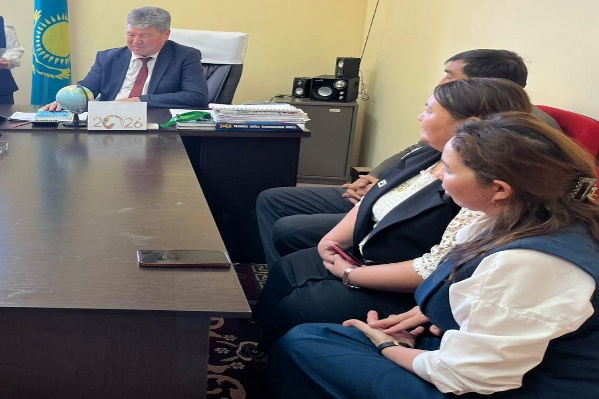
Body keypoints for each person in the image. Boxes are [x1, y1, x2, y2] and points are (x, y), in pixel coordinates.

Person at [268, 112, 599, 398]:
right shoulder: (516, 219)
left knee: (302, 344)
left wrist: (388, 347)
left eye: (449, 170)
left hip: (506, 387)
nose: (439, 176)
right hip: (482, 363)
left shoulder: (531, 262)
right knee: (321, 337)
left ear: (499, 189)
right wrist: (433, 315)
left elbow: (466, 376)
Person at [256, 78, 534, 346]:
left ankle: (276, 351)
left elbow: (436, 270)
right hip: (371, 254)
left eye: (429, 111)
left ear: (467, 126)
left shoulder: (478, 189)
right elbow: (374, 197)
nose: (420, 117)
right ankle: (259, 340)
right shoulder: (427, 154)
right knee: (288, 267)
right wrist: (334, 240)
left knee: (304, 303)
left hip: (412, 288)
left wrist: (351, 274)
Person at [257, 49, 560, 266]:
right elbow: (415, 152)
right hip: (391, 191)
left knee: (292, 230)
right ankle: (274, 272)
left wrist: (381, 193)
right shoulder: (468, 116)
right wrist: (377, 178)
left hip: (409, 213)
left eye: (450, 77)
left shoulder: (511, 133)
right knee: (274, 200)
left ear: (481, 86)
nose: (441, 83)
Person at [42, 6, 208, 110]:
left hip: (155, 124)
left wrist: (138, 101)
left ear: (166, 34)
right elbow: (87, 90)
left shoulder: (185, 56)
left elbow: (196, 96)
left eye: (144, 36)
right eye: (131, 34)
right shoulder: (107, 57)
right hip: (108, 123)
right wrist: (67, 101)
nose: (136, 42)